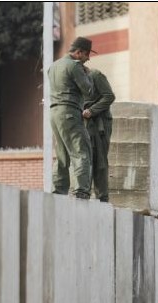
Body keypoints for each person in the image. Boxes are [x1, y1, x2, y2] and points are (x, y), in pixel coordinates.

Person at [48, 37, 94, 199]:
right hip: (70, 113)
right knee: (81, 151)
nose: (88, 58)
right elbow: (88, 91)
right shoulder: (74, 67)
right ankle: (81, 191)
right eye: (87, 54)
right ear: (78, 52)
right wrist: (88, 75)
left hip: (54, 114)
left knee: (61, 154)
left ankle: (58, 191)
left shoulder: (53, 66)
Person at [83, 68, 115, 202]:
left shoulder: (95, 75)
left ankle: (102, 197)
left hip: (99, 124)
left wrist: (92, 110)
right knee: (86, 159)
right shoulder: (76, 80)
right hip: (85, 124)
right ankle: (84, 194)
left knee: (100, 161)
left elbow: (109, 96)